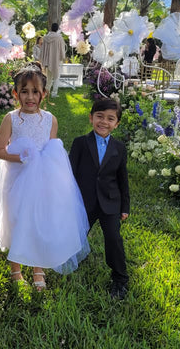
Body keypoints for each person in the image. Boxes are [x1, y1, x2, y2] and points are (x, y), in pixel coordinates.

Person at [0, 63, 90, 290]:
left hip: (44, 180)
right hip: (17, 177)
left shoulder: (50, 119)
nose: (30, 97)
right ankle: (16, 267)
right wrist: (21, 158)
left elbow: (51, 149)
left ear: (44, 94)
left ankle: (38, 267)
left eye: (35, 92)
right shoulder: (11, 119)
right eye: (24, 92)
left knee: (40, 220)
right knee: (17, 218)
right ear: (15, 93)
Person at [69, 98, 130, 300]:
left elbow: (123, 179)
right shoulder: (80, 143)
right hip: (84, 201)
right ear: (91, 118)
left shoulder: (119, 148)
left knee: (113, 238)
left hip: (110, 202)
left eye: (110, 118)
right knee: (77, 234)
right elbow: (70, 174)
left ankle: (120, 278)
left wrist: (125, 207)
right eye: (99, 116)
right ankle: (71, 260)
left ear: (117, 123)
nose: (104, 122)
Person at [40, 22, 65, 98]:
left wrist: (43, 59)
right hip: (56, 60)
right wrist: (62, 57)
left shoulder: (46, 37)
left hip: (48, 61)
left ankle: (47, 92)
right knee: (56, 77)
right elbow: (62, 48)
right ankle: (54, 93)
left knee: (49, 77)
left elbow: (43, 50)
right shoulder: (59, 37)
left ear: (51, 28)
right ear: (57, 29)